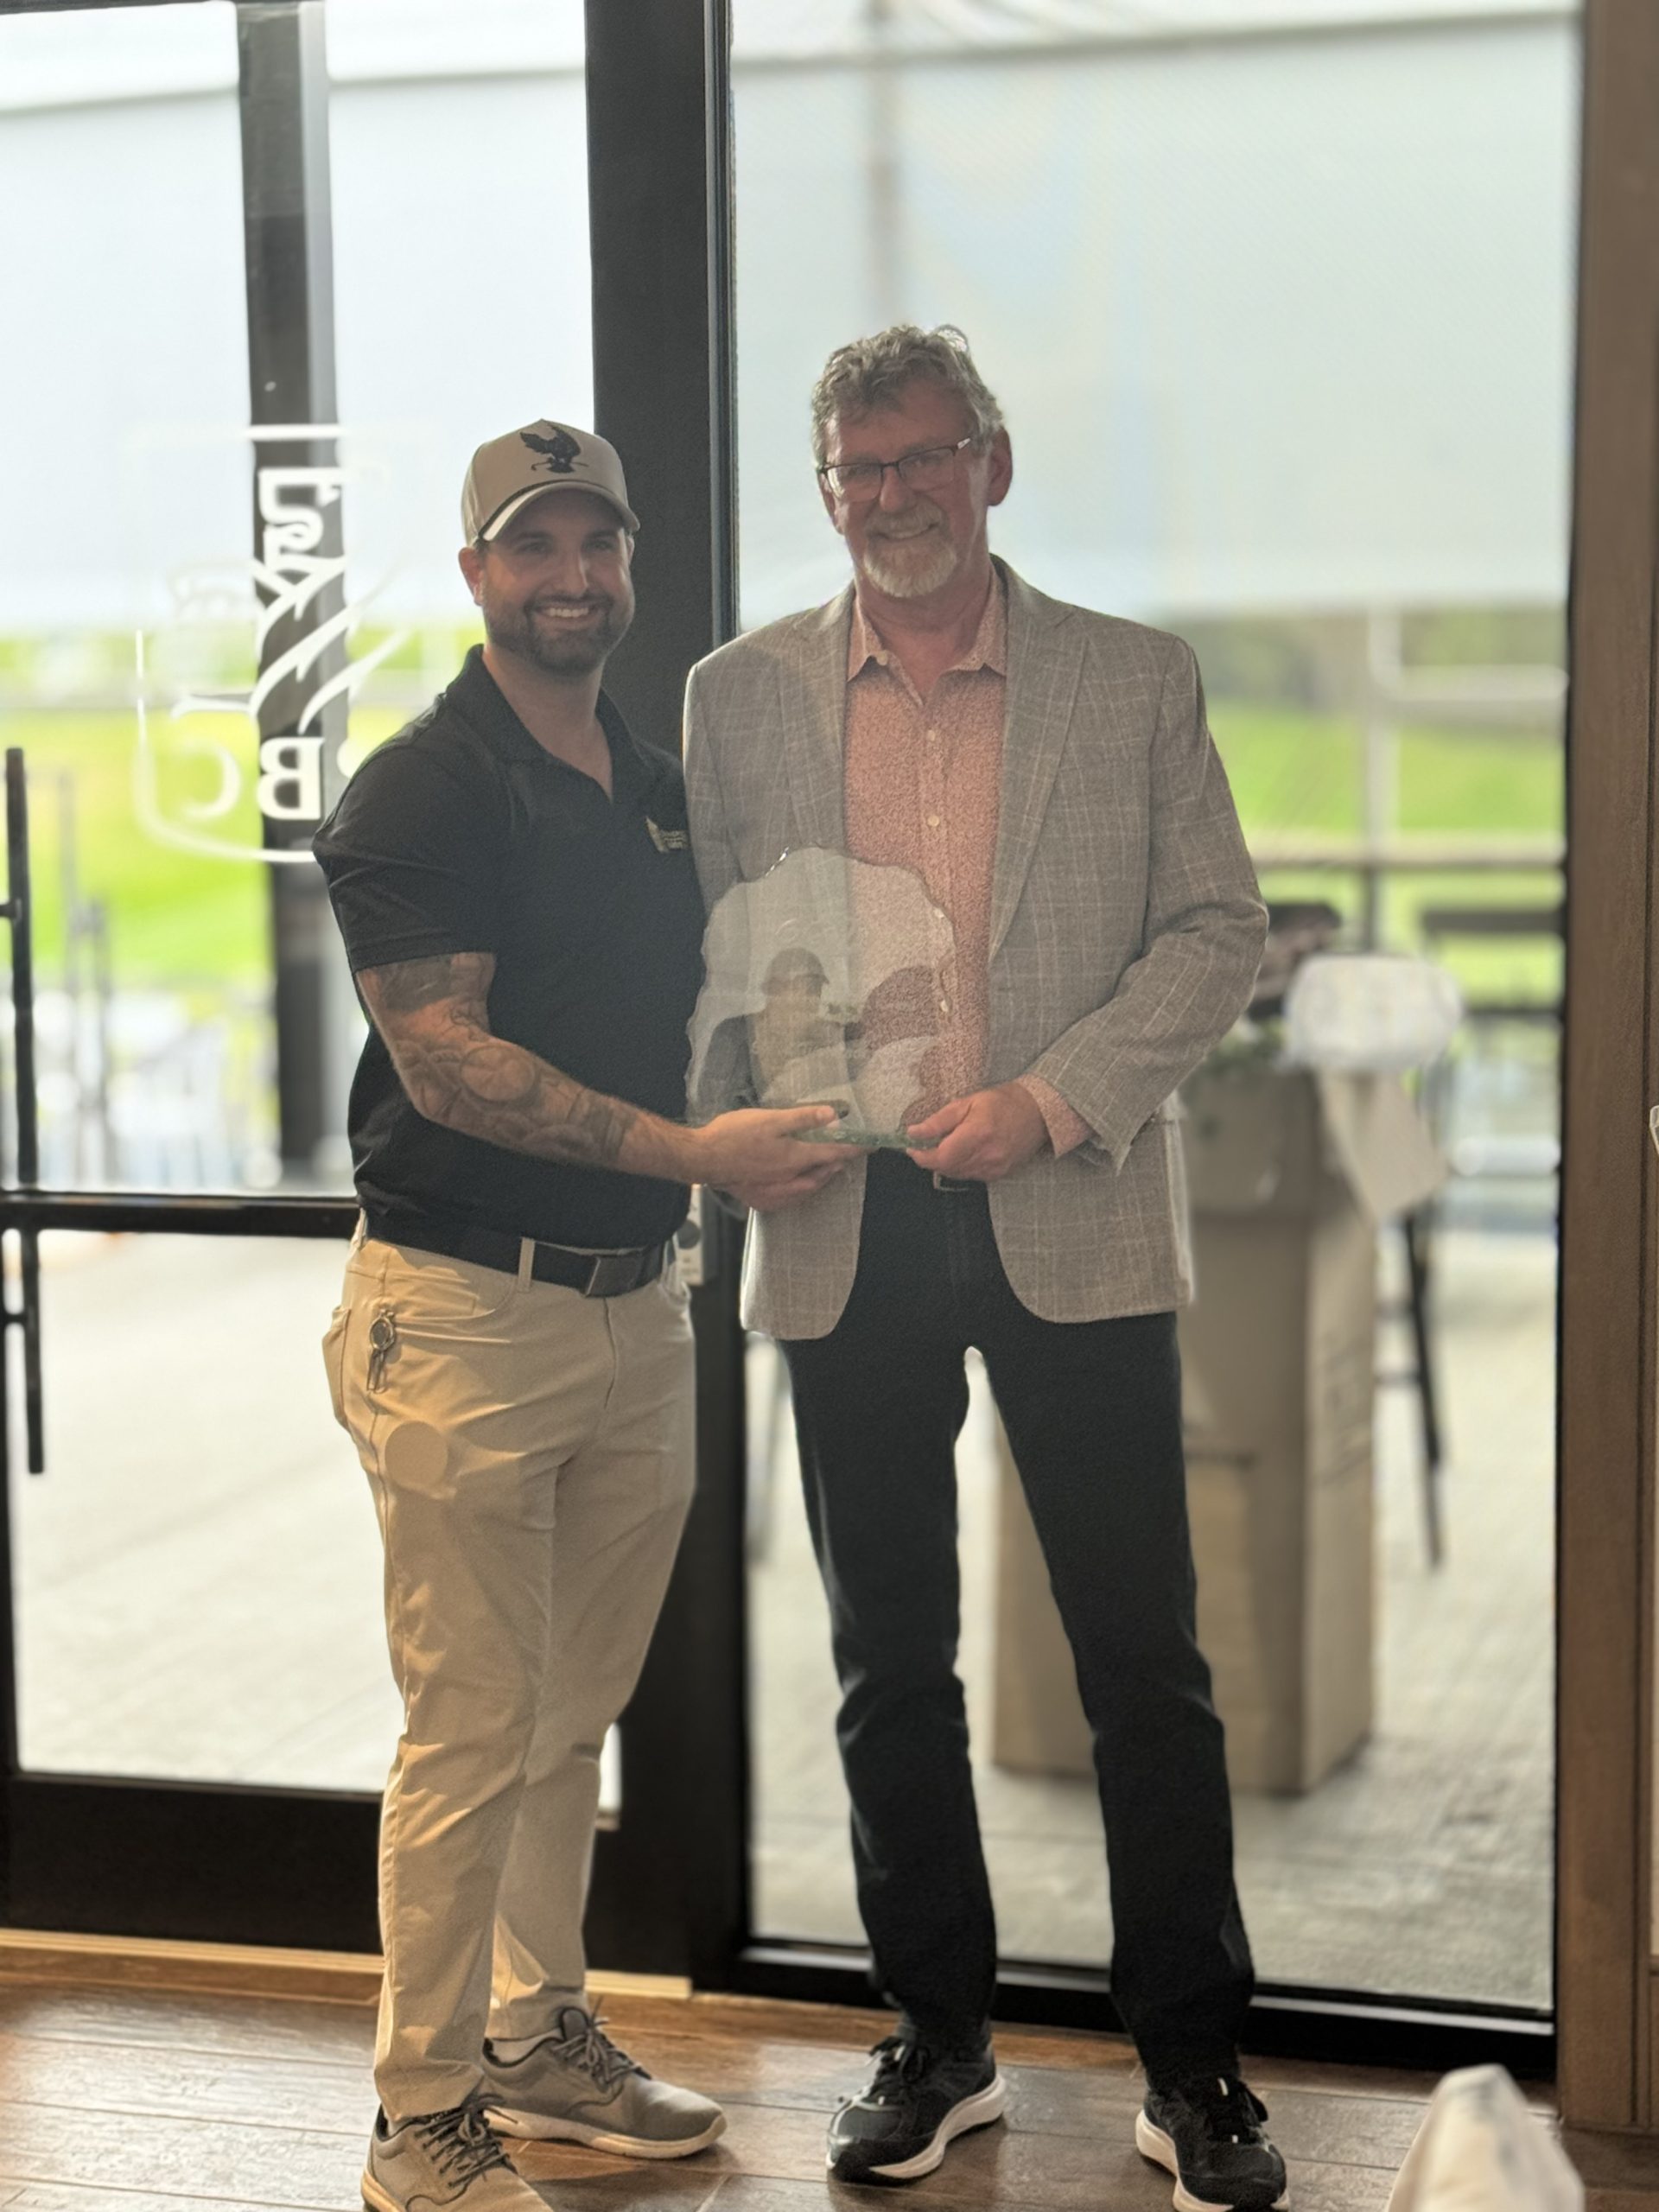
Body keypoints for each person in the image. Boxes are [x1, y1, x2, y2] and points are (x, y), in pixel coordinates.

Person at [683, 329, 1288, 2212]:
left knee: (1142, 1658)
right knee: (889, 1659)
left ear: (993, 466)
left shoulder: (1132, 677)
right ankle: (937, 2039)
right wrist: (740, 1103)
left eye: (927, 457)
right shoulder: (734, 697)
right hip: (842, 1223)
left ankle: (1192, 2061)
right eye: (862, 470)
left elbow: (1218, 926)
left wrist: (1054, 1097)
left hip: (1071, 1204)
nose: (896, 496)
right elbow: (715, 950)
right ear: (829, 492)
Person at [315, 419, 839, 2212]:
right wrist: (695, 1152)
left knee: (569, 1715)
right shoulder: (420, 788)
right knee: (471, 1726)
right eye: (532, 546)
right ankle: (418, 2120)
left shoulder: (654, 782)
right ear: (477, 573)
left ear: (625, 565)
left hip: (634, 1305)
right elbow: (442, 1060)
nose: (571, 577)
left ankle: (536, 2036)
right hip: (466, 1308)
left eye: (595, 544)